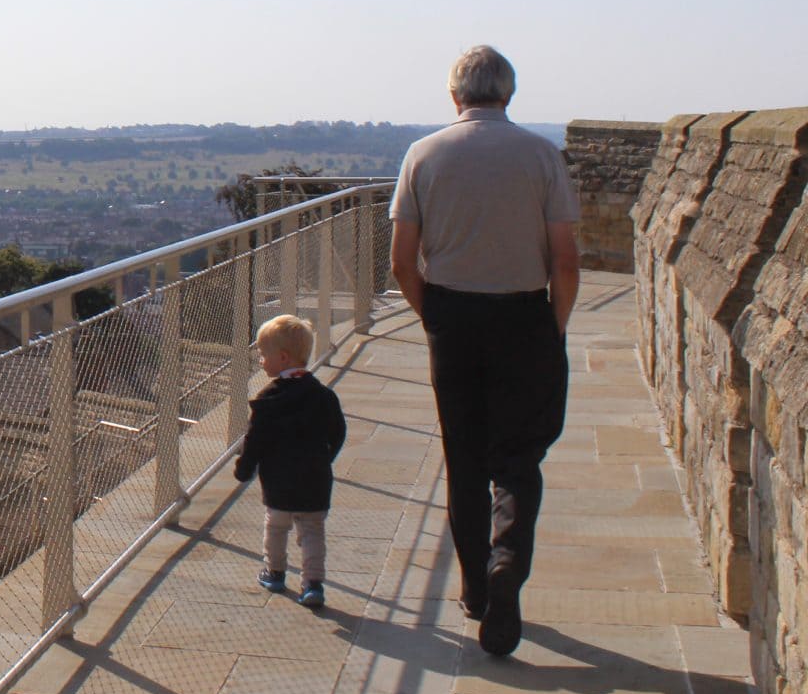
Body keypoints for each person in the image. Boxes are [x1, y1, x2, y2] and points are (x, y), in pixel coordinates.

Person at [390, 44, 580, 656]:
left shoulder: (423, 155)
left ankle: (475, 587)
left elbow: (401, 263)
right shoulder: (541, 155)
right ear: (509, 92)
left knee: (465, 460)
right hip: (524, 314)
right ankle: (508, 571)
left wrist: (434, 317)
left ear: (455, 96)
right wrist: (551, 328)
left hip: (453, 314)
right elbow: (566, 262)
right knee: (518, 460)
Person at [234, 314, 346, 610]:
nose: (261, 361)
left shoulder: (267, 401)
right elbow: (338, 433)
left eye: (263, 355)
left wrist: (244, 469)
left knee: (276, 528)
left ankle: (275, 572)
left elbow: (254, 441)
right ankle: (313, 583)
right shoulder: (324, 396)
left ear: (282, 358)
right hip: (314, 480)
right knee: (312, 532)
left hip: (279, 483)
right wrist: (325, 458)